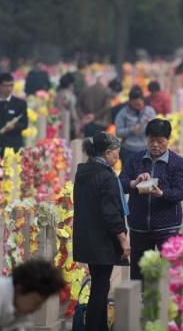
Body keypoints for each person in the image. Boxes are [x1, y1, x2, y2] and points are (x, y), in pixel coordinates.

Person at [73, 132, 130, 331]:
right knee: (100, 287)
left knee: (99, 283)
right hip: (102, 241)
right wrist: (123, 240)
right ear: (107, 153)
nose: (118, 157)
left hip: (87, 238)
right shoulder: (105, 177)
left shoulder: (84, 171)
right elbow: (111, 214)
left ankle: (100, 327)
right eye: (116, 153)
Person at [119, 119, 183, 281]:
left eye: (160, 141)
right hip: (139, 225)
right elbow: (120, 183)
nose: (155, 145)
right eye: (151, 141)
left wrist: (161, 193)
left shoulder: (177, 162)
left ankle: (165, 304)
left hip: (167, 225)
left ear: (167, 140)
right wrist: (134, 183)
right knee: (139, 272)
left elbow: (180, 192)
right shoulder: (135, 159)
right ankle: (138, 303)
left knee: (169, 271)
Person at [114, 86, 156, 166]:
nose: (138, 107)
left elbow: (156, 132)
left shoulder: (150, 111)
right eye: (135, 104)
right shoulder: (123, 113)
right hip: (128, 150)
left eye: (139, 104)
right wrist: (131, 130)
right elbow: (118, 132)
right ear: (130, 102)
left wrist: (152, 124)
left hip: (146, 149)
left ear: (143, 100)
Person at [55, 73, 78, 139]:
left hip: (58, 122)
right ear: (70, 84)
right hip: (69, 124)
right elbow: (73, 112)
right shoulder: (70, 96)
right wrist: (77, 122)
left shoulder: (57, 95)